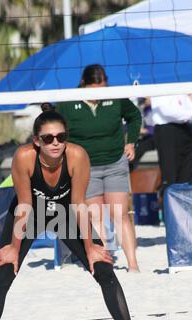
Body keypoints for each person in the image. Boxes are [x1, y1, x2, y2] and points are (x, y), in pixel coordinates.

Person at [0, 108, 141, 320]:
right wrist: (14, 249)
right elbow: (25, 206)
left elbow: (78, 204)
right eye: (48, 138)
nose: (55, 143)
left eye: (61, 137)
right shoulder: (24, 157)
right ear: (36, 141)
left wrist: (90, 247)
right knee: (4, 273)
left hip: (66, 213)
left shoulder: (77, 156)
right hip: (29, 213)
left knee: (104, 269)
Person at [56, 64, 142, 272]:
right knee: (94, 215)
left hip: (114, 162)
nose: (98, 93)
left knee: (119, 214)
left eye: (102, 87)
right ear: (84, 84)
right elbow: (55, 128)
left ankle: (133, 265)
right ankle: (103, 263)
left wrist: (131, 142)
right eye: (93, 88)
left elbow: (135, 116)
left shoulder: (115, 97)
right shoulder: (68, 102)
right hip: (86, 167)